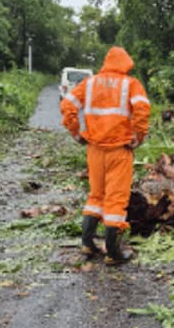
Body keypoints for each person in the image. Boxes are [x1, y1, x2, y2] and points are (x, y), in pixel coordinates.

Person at [60, 45, 151, 265]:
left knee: (96, 195)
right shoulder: (131, 84)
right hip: (119, 150)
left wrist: (76, 133)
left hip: (94, 149)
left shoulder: (89, 83)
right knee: (116, 199)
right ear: (125, 64)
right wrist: (138, 136)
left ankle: (87, 243)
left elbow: (67, 105)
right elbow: (141, 109)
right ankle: (113, 252)